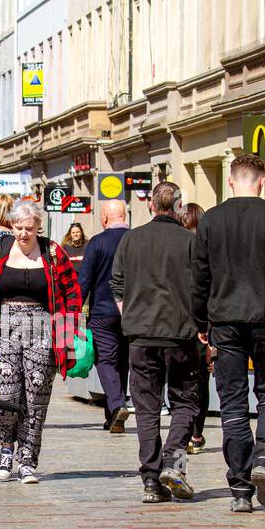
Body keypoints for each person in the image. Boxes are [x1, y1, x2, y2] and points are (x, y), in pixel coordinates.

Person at [193, 154, 265, 514]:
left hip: (225, 324)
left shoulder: (212, 220)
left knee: (231, 402)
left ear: (231, 181)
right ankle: (264, 455)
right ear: (262, 182)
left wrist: (200, 323)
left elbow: (199, 277)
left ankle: (241, 488)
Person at [0, 200, 83, 484]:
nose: (22, 234)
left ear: (38, 227)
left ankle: (28, 459)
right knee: (5, 393)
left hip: (42, 326)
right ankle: (6, 447)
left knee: (36, 393)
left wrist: (67, 328)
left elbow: (71, 291)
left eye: (28, 228)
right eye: (18, 228)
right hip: (2, 326)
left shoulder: (53, 252)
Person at [111, 182, 200, 504]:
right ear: (178, 207)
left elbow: (116, 283)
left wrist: (129, 315)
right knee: (184, 403)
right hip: (180, 333)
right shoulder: (190, 241)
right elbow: (202, 286)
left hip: (141, 335)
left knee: (147, 409)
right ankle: (174, 465)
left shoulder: (130, 239)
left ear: (151, 205)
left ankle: (151, 480)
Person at [75, 198, 131, 433]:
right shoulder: (135, 240)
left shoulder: (97, 243)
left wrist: (74, 310)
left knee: (106, 361)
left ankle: (117, 405)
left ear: (105, 218)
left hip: (103, 313)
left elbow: (84, 280)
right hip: (132, 311)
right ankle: (112, 417)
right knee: (123, 362)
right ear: (125, 217)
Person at [181, 203, 213, 453]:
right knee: (201, 381)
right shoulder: (208, 250)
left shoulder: (177, 248)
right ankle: (197, 433)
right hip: (204, 323)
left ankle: (185, 429)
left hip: (180, 323)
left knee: (183, 380)